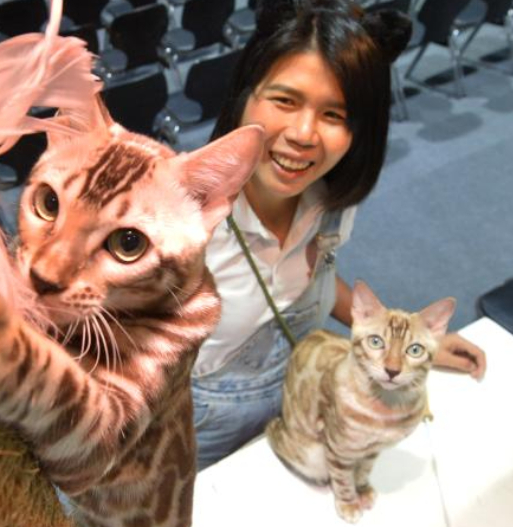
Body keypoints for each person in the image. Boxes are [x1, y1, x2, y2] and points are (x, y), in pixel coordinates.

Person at [193, 0, 487, 470]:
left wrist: (404, 344)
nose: (304, 134)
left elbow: (312, 281)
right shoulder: (178, 220)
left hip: (300, 398)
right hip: (195, 428)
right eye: (285, 100)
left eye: (335, 115)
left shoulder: (329, 200)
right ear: (243, 97)